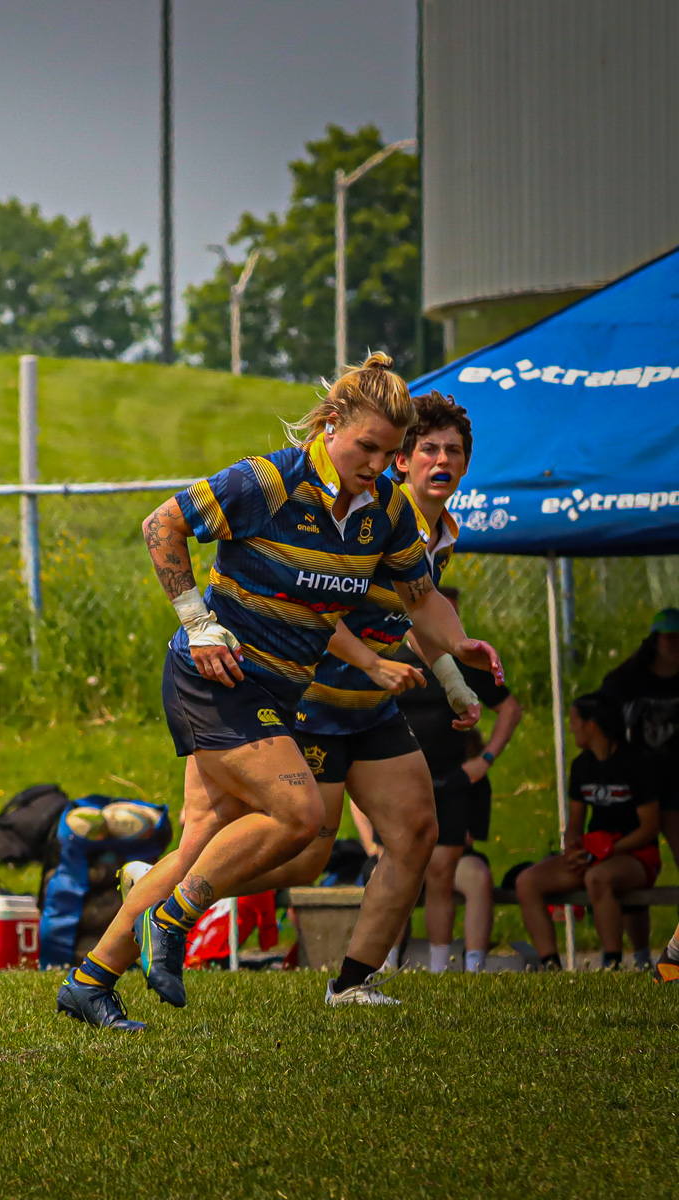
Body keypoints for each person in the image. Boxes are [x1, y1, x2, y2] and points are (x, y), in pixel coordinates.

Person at [58, 353, 493, 1032]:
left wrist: (458, 654)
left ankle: (91, 981)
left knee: (254, 834)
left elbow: (420, 597)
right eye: (368, 447)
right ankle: (170, 919)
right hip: (218, 677)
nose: (378, 464)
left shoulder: (386, 511)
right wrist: (198, 623)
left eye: (389, 452)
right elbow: (160, 525)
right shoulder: (268, 481)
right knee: (297, 821)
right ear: (330, 423)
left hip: (279, 694)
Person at [392, 586, 521, 973]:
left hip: (450, 779)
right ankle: (376, 964)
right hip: (399, 777)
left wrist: (484, 760)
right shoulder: (393, 654)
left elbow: (510, 709)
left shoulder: (463, 662)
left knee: (441, 872)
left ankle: (439, 966)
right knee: (397, 868)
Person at [514, 692, 663, 970]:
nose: (571, 728)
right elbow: (575, 823)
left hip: (636, 854)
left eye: (574, 721)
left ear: (592, 725)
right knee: (527, 882)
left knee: (598, 878)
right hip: (593, 852)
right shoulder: (582, 765)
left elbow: (649, 827)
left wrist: (608, 850)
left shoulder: (636, 763)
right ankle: (551, 965)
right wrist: (573, 847)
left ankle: (612, 964)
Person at [600, 608, 679, 979]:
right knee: (632, 870)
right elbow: (600, 711)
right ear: (654, 640)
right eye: (668, 636)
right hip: (640, 788)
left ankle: (672, 957)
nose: (673, 644)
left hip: (676, 787)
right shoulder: (628, 679)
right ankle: (644, 954)